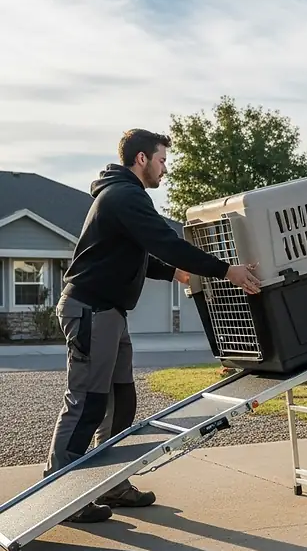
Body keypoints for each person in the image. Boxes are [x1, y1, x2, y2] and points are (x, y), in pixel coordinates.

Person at [44, 128, 261, 524]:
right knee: (87, 402)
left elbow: (139, 253)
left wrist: (173, 271)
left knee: (121, 400)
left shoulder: (123, 195)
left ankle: (108, 481)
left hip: (108, 312)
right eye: (162, 160)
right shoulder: (125, 195)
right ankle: (62, 492)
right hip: (91, 309)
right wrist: (225, 269)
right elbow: (165, 241)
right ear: (141, 159)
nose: (165, 169)